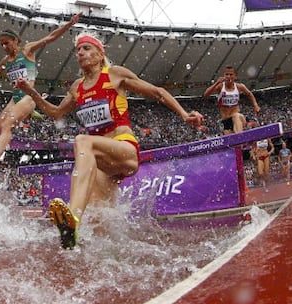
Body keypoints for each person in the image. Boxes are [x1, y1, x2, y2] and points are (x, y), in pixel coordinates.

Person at [17, 32, 204, 249]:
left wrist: (183, 114)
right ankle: (107, 252)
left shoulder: (114, 74)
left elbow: (158, 92)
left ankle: (73, 217)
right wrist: (32, 92)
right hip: (105, 163)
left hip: (124, 148)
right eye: (78, 50)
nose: (80, 53)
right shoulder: (77, 87)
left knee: (82, 140)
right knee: (99, 220)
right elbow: (57, 114)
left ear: (99, 53)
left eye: (86, 48)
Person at [0, 13, 82, 173]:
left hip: (28, 96)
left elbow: (49, 38)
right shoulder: (5, 62)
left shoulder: (27, 51)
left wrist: (69, 24)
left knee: (8, 125)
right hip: (15, 98)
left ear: (16, 41)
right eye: (1, 44)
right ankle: (29, 113)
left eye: (7, 43)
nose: (4, 47)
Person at [204, 65, 260, 135]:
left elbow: (249, 94)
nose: (228, 76)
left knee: (235, 116)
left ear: (235, 77)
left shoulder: (239, 87)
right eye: (226, 74)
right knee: (232, 142)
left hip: (237, 117)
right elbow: (206, 94)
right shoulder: (220, 86)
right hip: (226, 120)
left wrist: (256, 105)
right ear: (224, 75)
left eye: (231, 74)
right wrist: (216, 83)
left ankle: (241, 136)